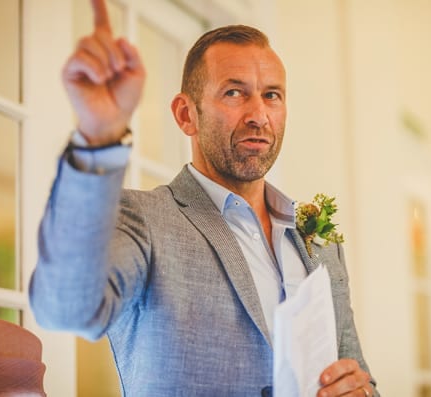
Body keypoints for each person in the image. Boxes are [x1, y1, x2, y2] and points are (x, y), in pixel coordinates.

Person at [29, 1, 377, 396]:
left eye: (272, 95)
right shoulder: (143, 219)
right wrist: (97, 136)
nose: (259, 115)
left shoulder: (322, 244)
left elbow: (360, 375)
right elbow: (66, 307)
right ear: (185, 115)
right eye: (234, 92)